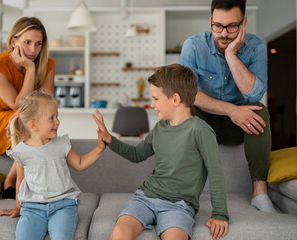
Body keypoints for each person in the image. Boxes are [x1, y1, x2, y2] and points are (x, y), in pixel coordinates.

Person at [93, 64, 229, 240]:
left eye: (156, 99)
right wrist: (110, 140)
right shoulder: (159, 128)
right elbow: (137, 155)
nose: (152, 104)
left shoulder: (200, 130)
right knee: (120, 233)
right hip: (145, 198)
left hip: (179, 206)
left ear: (175, 99)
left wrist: (220, 214)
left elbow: (216, 174)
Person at [179, 0, 277, 213]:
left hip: (239, 128)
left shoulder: (256, 46)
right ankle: (186, 193)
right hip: (207, 122)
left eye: (232, 26)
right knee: (187, 109)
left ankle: (260, 194)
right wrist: (232, 110)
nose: (223, 33)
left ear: (243, 24)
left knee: (259, 110)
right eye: (218, 26)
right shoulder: (193, 45)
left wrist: (231, 54)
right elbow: (190, 94)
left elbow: (254, 93)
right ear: (210, 22)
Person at [0, 91, 105, 240]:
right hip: (32, 209)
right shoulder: (21, 151)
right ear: (33, 125)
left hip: (63, 207)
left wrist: (99, 148)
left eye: (57, 116)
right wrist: (17, 207)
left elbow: (79, 163)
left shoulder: (61, 144)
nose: (57, 121)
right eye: (51, 118)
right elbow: (20, 181)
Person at [0, 17, 55, 198]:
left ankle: (9, 179)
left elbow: (47, 104)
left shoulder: (48, 64)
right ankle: (20, 189)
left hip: (21, 115)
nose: (33, 49)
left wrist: (18, 115)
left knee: (42, 120)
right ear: (13, 41)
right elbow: (17, 103)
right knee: (27, 121)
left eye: (38, 43)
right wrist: (30, 69)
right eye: (27, 42)